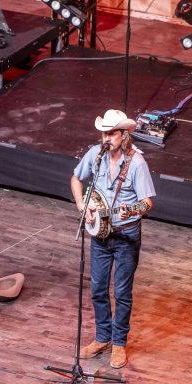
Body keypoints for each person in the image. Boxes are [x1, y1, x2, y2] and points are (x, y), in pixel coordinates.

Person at [70, 109, 156, 369]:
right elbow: (76, 178)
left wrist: (132, 211)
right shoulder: (95, 155)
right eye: (103, 134)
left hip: (125, 236)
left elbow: (147, 203)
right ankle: (102, 338)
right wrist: (81, 205)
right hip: (99, 234)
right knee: (98, 289)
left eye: (111, 134)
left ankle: (119, 343)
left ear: (124, 135)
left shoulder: (136, 163)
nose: (106, 138)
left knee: (121, 292)